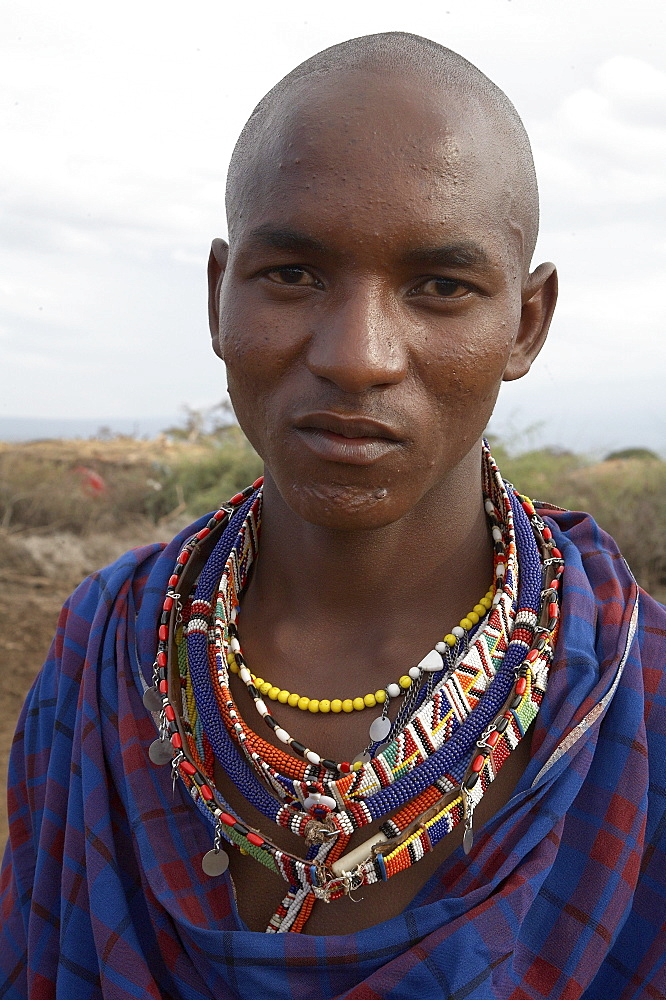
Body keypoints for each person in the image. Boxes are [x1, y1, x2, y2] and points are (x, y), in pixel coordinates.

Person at [1, 30, 664, 1000]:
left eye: (440, 285)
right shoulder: (102, 645)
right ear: (218, 295)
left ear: (525, 322)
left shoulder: (638, 699)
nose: (358, 355)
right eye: (294, 274)